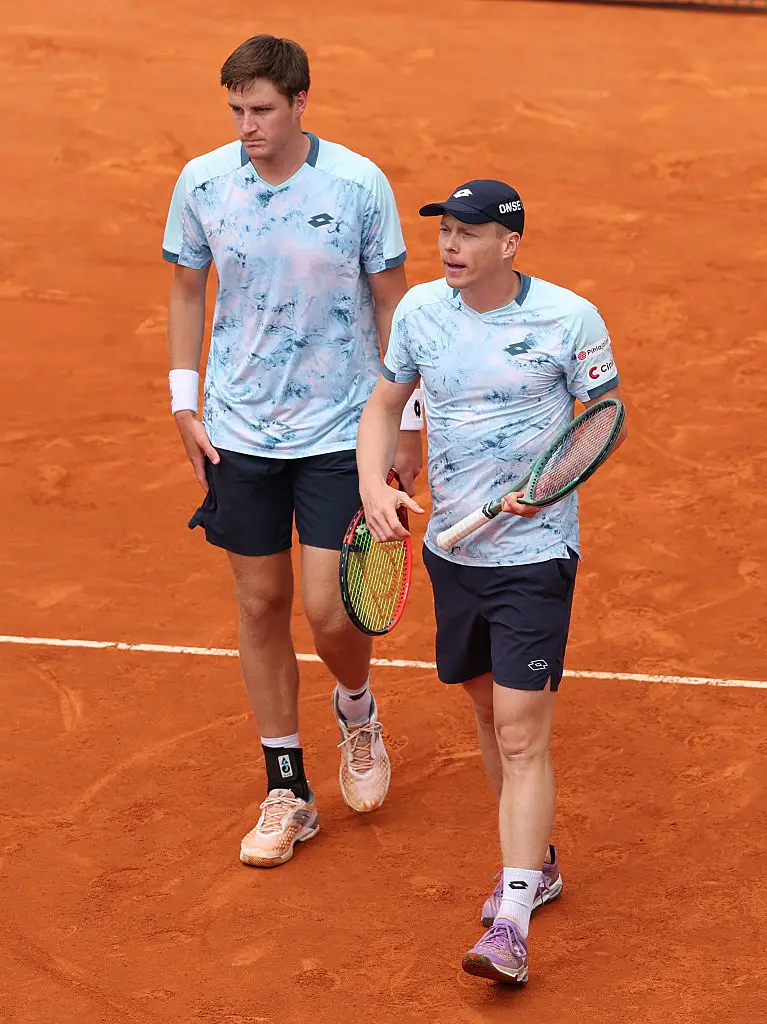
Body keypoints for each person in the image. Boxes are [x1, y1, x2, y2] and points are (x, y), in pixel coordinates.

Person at [162, 34, 423, 868]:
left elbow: (393, 304)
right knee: (258, 604)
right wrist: (183, 399)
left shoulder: (356, 185)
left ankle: (356, 708)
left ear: (300, 102)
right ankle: (287, 789)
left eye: (263, 110)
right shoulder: (203, 182)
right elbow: (186, 288)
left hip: (341, 427)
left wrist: (406, 420)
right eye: (236, 110)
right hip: (239, 429)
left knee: (328, 608)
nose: (247, 126)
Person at [356, 179, 625, 982]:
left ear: (508, 244)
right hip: (455, 553)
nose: (450, 244)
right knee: (483, 706)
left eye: (468, 233)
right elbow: (385, 404)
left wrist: (545, 489)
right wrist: (374, 485)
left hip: (534, 554)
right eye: (445, 230)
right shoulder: (419, 313)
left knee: (518, 731)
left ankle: (511, 921)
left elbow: (600, 421)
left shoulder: (568, 319)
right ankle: (535, 863)